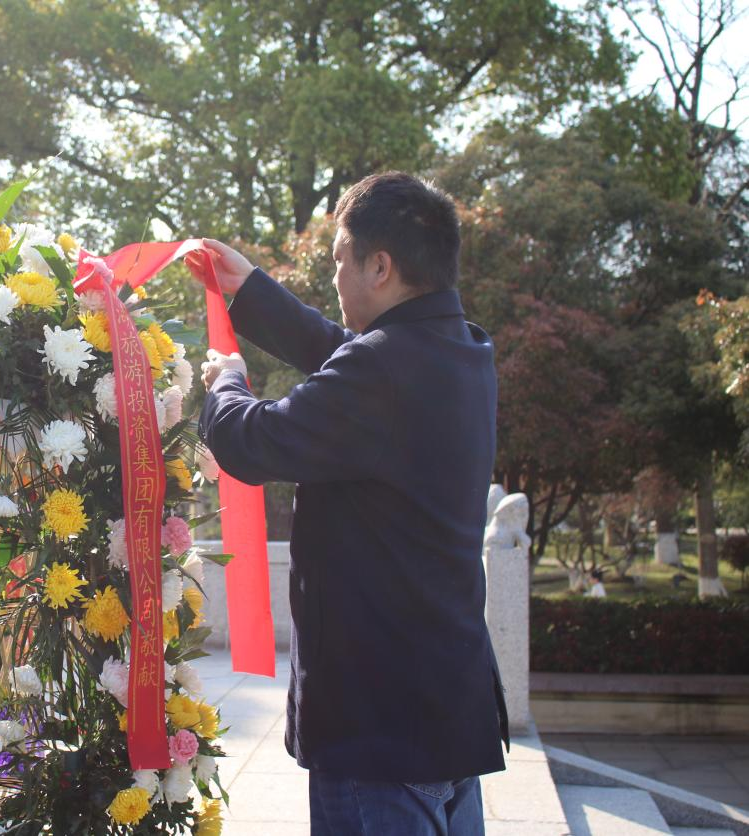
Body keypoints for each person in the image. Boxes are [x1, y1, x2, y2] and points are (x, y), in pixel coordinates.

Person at [187, 172, 508, 836]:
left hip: (378, 726)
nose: (334, 276)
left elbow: (254, 441)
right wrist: (249, 289)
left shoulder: (384, 369)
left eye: (339, 259)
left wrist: (226, 382)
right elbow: (346, 352)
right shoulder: (461, 350)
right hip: (446, 710)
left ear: (380, 266)